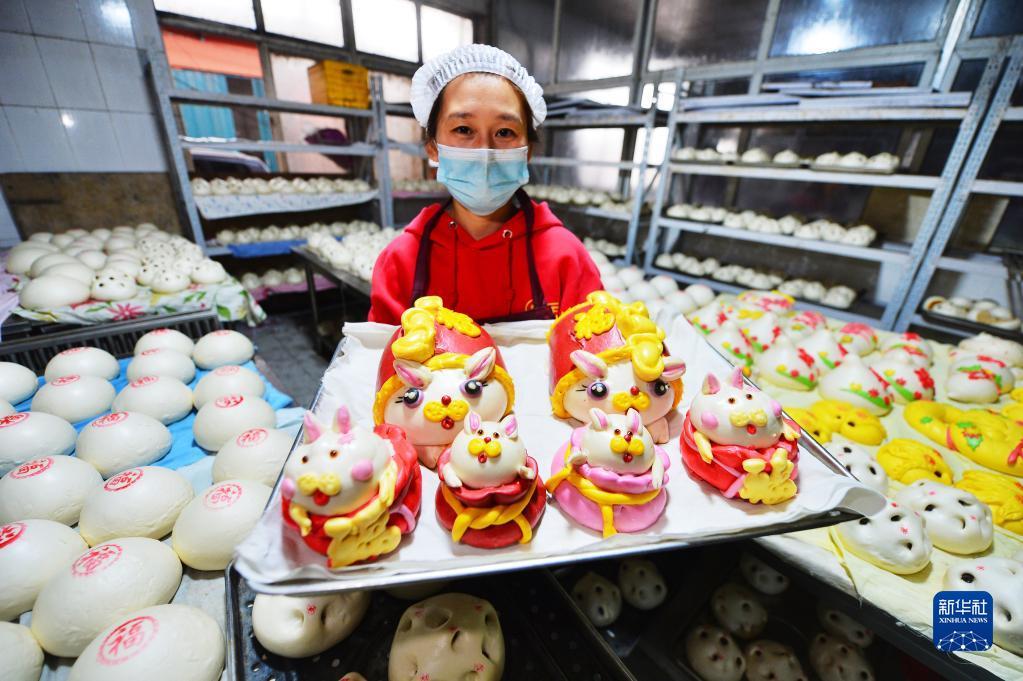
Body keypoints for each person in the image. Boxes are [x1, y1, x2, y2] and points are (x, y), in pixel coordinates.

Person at [368, 44, 603, 324]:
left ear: (527, 151)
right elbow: (382, 349)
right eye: (463, 129)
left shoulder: (566, 259)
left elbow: (598, 343)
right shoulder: (401, 262)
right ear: (433, 148)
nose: (485, 152)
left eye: (504, 132)